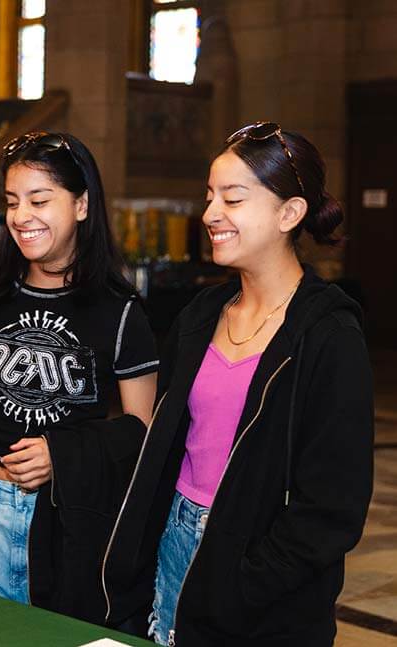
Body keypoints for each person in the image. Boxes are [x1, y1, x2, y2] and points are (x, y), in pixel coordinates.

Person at [102, 122, 374, 646]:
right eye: (209, 196)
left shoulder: (329, 333)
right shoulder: (202, 314)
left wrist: (241, 584)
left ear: (289, 213)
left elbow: (333, 508)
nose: (210, 214)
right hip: (174, 540)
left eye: (233, 198)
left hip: (257, 571)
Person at [0, 131, 158, 607]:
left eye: (39, 199)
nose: (21, 217)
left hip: (69, 519)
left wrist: (61, 454)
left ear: (81, 205)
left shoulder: (120, 311)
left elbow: (142, 429)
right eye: (13, 201)